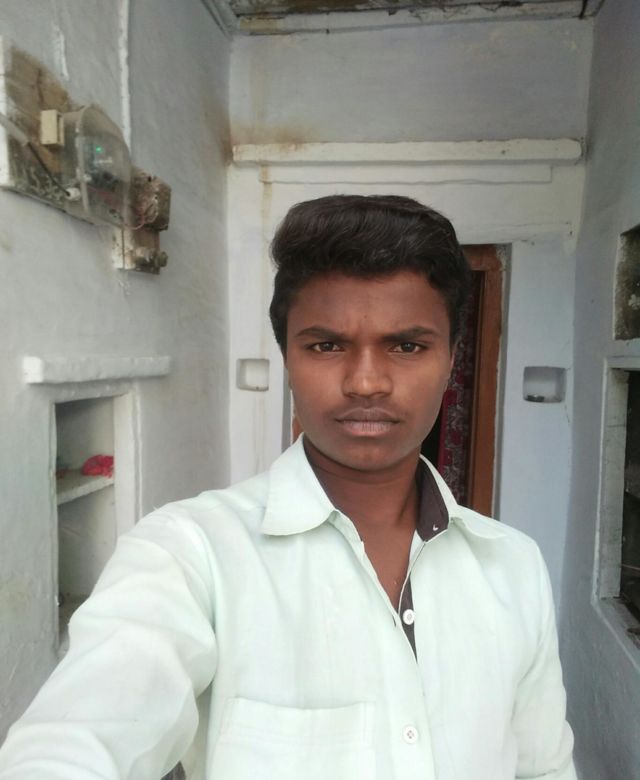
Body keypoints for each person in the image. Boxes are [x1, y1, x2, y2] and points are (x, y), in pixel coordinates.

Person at [0, 195, 576, 780]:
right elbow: (80, 736)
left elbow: (545, 769)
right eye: (327, 345)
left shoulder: (514, 566)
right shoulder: (190, 555)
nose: (366, 383)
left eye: (407, 346)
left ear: (451, 360)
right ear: (287, 358)